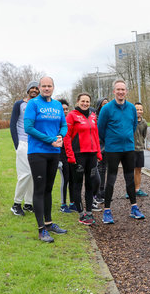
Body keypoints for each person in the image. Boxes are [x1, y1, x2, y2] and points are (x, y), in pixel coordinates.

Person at [24, 76, 68, 243]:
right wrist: (50, 139)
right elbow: (28, 127)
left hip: (54, 152)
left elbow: (63, 125)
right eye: (44, 86)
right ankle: (41, 229)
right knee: (40, 189)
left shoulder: (57, 105)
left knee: (49, 189)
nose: (46, 88)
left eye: (49, 86)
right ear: (39, 87)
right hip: (37, 152)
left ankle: (49, 224)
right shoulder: (33, 104)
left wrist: (60, 136)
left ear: (53, 87)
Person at [97, 79, 145, 224]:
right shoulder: (107, 109)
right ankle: (107, 211)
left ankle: (134, 207)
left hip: (129, 148)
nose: (120, 92)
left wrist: (126, 138)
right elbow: (100, 128)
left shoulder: (131, 108)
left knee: (130, 178)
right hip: (113, 149)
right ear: (114, 91)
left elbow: (133, 125)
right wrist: (111, 141)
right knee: (111, 179)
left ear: (126, 91)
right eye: (118, 89)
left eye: (123, 89)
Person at [63, 93, 103, 226]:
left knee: (90, 184)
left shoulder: (92, 115)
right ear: (78, 101)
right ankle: (81, 214)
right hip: (78, 155)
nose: (85, 103)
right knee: (77, 184)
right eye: (83, 101)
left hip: (91, 155)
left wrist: (98, 153)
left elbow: (95, 134)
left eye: (87, 101)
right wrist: (70, 155)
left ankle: (89, 212)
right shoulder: (72, 115)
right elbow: (67, 137)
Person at [9, 81, 39, 215]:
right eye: (32, 88)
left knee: (33, 174)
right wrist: (17, 145)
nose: (34, 90)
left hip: (35, 144)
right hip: (22, 143)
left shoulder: (38, 104)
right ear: (27, 90)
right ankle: (16, 204)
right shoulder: (19, 104)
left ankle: (28, 204)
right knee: (25, 174)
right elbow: (12, 125)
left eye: (36, 88)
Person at [57, 99, 76, 213]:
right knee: (65, 179)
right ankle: (63, 204)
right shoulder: (56, 123)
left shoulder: (70, 122)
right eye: (62, 109)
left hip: (70, 155)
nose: (65, 111)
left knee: (73, 179)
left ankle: (72, 203)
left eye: (66, 109)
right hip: (61, 155)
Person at [133, 102, 148, 197]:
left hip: (140, 149)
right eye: (137, 109)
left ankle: (137, 189)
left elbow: (144, 135)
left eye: (140, 109)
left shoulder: (144, 123)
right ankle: (129, 191)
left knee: (138, 170)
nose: (139, 111)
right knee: (130, 171)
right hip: (131, 149)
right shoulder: (130, 121)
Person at [95, 97, 109, 202]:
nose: (106, 105)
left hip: (108, 146)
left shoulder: (109, 116)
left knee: (104, 169)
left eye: (107, 103)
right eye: (104, 103)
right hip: (99, 146)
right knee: (99, 169)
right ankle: (97, 192)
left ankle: (102, 190)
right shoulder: (95, 117)